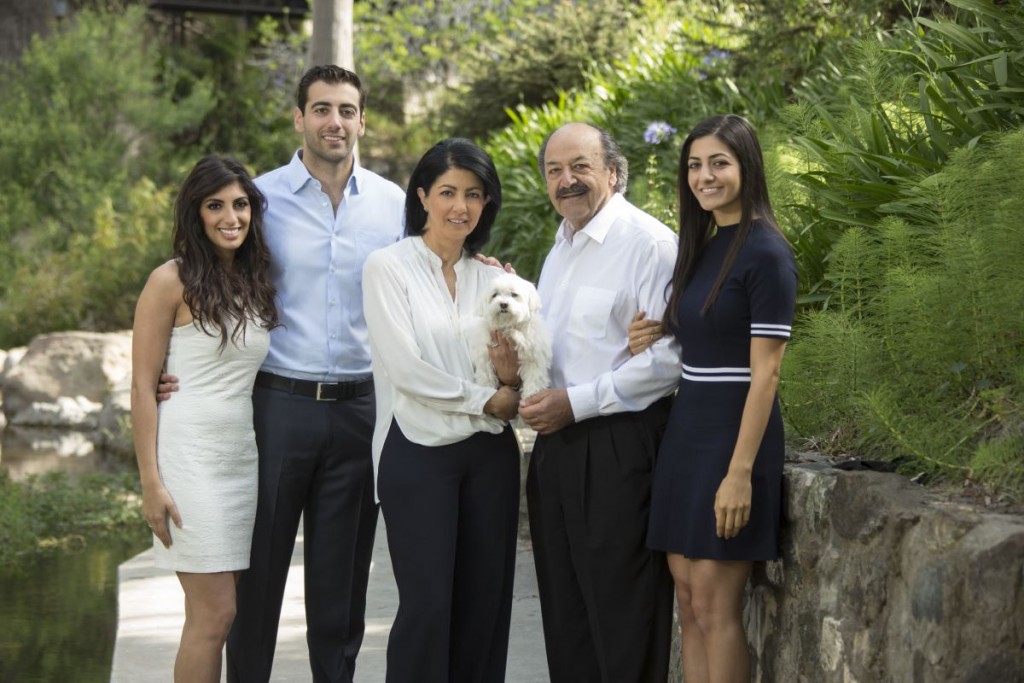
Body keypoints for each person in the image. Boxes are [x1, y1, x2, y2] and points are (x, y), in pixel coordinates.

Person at [160, 65, 406, 682]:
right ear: (299, 118)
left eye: (347, 110)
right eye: (321, 109)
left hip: (358, 411)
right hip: (275, 409)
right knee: (258, 579)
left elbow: (432, 270)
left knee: (341, 586)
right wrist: (170, 364)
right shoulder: (258, 200)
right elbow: (198, 277)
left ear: (362, 120)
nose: (334, 121)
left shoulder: (394, 204)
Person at [633, 114, 798, 683]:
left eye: (719, 163)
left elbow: (767, 374)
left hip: (733, 438)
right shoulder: (703, 245)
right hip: (687, 431)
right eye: (695, 165)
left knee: (715, 604)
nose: (705, 176)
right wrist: (661, 329)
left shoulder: (767, 254)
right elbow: (711, 329)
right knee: (687, 598)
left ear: (746, 166)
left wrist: (740, 473)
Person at [518, 122, 680, 682]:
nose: (567, 181)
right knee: (566, 617)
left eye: (580, 167)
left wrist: (576, 404)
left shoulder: (649, 245)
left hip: (618, 449)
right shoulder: (559, 247)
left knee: (623, 616)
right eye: (555, 170)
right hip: (556, 452)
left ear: (613, 172)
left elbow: (666, 361)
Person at [362, 138, 522, 683]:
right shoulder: (388, 267)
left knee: (485, 606)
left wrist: (509, 383)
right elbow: (404, 367)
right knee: (427, 606)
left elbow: (516, 364)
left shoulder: (494, 280)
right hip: (418, 452)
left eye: (474, 194)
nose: (461, 206)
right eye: (448, 192)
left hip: (489, 456)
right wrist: (488, 399)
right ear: (423, 196)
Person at [131, 154, 278, 683]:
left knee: (218, 613)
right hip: (188, 458)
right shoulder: (169, 280)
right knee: (214, 616)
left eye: (240, 204)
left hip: (240, 459)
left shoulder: (255, 277)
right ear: (196, 213)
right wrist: (151, 482)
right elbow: (143, 388)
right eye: (215, 205)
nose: (230, 217)